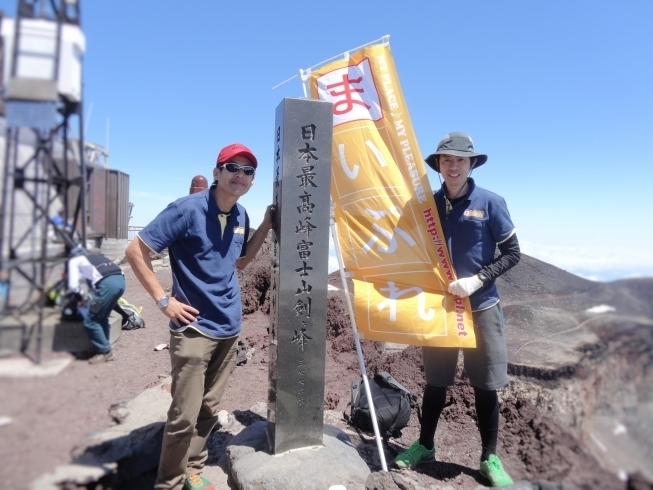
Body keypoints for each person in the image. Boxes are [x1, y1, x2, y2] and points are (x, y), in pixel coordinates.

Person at [125, 143, 274, 490]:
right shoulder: (186, 209)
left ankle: (192, 467)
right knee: (183, 414)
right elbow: (136, 251)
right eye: (232, 167)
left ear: (252, 182)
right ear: (218, 172)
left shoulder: (241, 215)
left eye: (248, 171)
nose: (240, 175)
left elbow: (239, 262)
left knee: (208, 408)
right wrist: (163, 301)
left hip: (229, 327)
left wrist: (265, 225)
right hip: (193, 328)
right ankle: (170, 482)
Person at [393, 132, 521, 487]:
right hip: (441, 308)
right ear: (438, 166)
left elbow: (513, 253)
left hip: (482, 306)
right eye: (446, 160)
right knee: (435, 381)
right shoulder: (428, 206)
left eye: (460, 160)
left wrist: (478, 280)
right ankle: (425, 444)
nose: (453, 165)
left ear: (471, 164)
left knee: (485, 384)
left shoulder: (491, 202)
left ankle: (489, 458)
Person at [67, 246, 126, 364]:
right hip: (121, 281)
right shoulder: (97, 257)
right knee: (102, 317)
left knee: (91, 321)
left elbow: (73, 286)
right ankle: (102, 347)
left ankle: (105, 351)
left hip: (107, 285)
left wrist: (81, 298)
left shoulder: (74, 261)